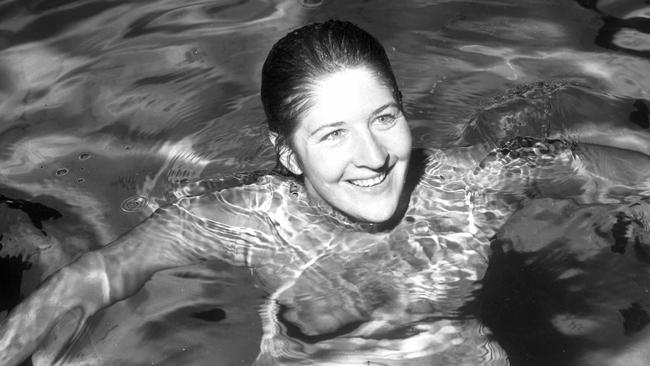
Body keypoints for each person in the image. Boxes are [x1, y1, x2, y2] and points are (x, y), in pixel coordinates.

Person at [0, 20, 648, 366]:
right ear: (288, 154)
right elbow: (107, 269)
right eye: (333, 133)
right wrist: (57, 307)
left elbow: (592, 164)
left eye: (384, 118)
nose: (372, 157)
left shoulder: (464, 184)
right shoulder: (249, 222)